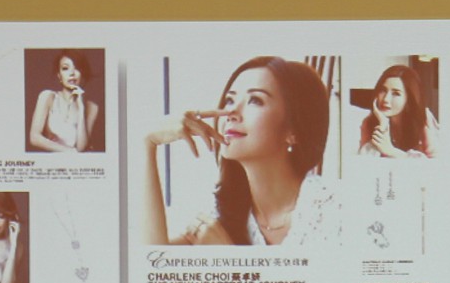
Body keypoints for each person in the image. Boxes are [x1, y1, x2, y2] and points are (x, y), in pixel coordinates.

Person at [139, 56, 337, 247]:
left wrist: (227, 255)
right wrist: (148, 144)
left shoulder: (338, 208)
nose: (231, 113)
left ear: (293, 130)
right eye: (229, 100)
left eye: (255, 100)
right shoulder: (220, 211)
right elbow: (152, 259)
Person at [358, 63, 437, 159]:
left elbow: (433, 163)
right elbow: (365, 161)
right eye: (383, 90)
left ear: (408, 98)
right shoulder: (368, 122)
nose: (386, 99)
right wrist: (383, 125)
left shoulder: (423, 118)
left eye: (396, 93)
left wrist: (391, 151)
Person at [27, 50, 100, 153]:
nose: (72, 73)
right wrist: (70, 152)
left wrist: (81, 107)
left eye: (77, 68)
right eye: (65, 68)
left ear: (82, 73)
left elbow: (81, 148)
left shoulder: (92, 108)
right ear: (59, 76)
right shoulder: (48, 97)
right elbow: (34, 138)